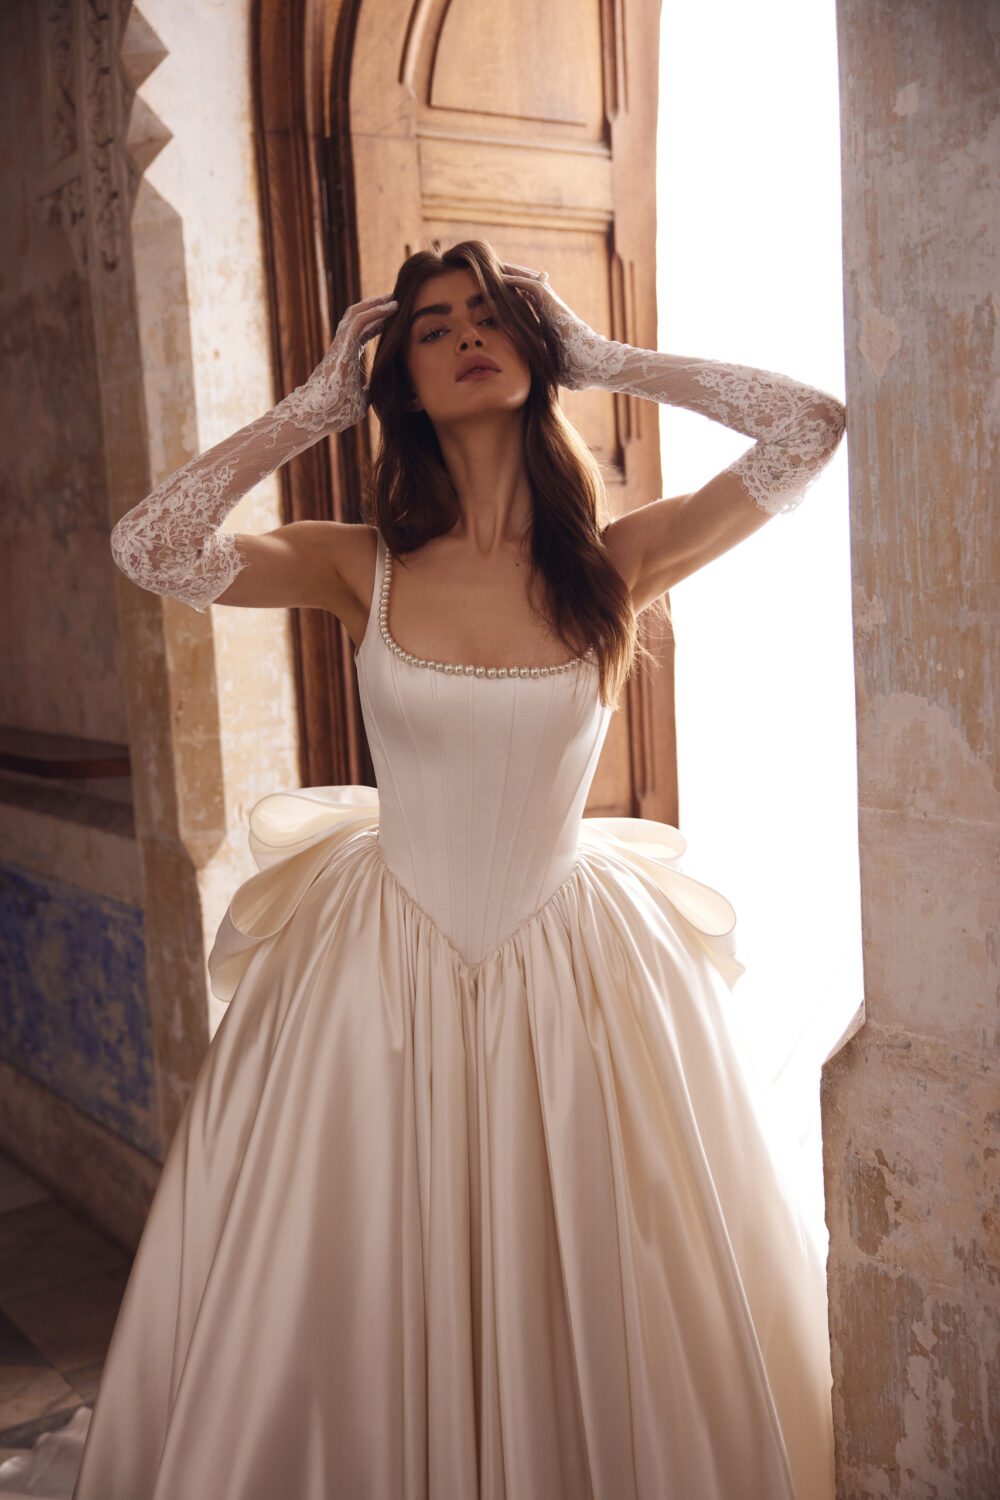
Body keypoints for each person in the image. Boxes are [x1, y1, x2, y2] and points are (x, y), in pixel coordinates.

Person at [0, 239, 845, 1500]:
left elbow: (809, 427)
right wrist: (311, 404)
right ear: (396, 376)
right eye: (431, 324)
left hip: (577, 961)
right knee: (363, 1261)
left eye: (490, 315)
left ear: (533, 347)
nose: (464, 333)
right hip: (372, 969)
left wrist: (610, 358)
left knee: (601, 1272)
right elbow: (154, 547)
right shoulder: (361, 563)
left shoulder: (613, 563)